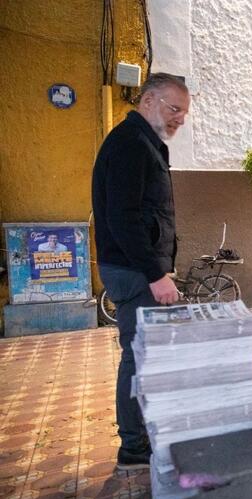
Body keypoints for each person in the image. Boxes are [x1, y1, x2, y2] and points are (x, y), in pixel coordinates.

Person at [91, 73, 190, 470]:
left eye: (184, 113)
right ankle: (134, 447)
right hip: (135, 273)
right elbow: (123, 218)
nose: (179, 119)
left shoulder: (144, 143)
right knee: (138, 356)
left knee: (146, 356)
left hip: (136, 268)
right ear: (148, 101)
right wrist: (155, 274)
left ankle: (143, 435)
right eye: (174, 109)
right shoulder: (132, 144)